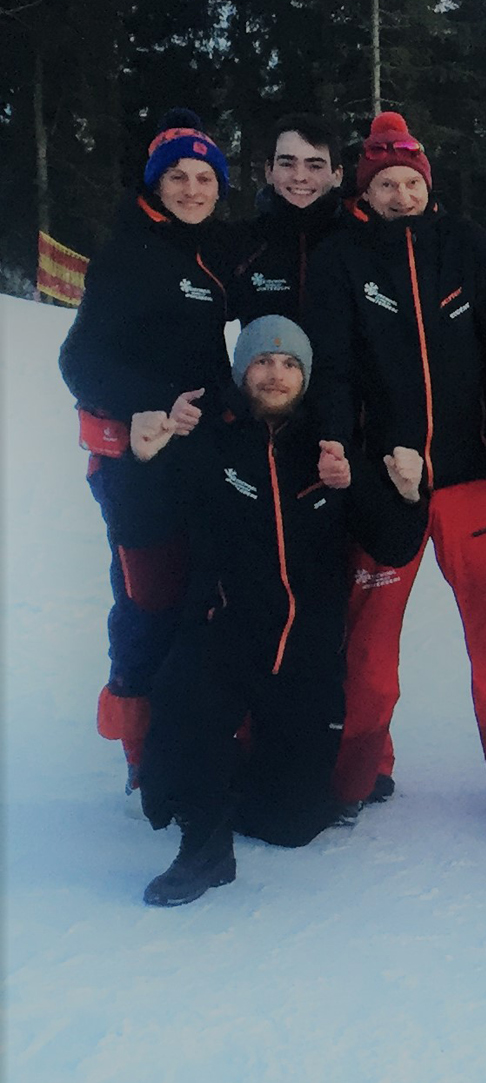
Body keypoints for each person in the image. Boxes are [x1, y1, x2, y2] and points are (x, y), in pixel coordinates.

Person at [305, 111, 486, 819]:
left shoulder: (468, 247)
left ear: (427, 183)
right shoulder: (341, 257)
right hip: (383, 482)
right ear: (366, 189)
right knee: (368, 646)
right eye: (385, 183)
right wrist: (335, 440)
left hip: (471, 476)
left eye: (409, 182)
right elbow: (328, 367)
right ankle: (352, 777)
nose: (399, 195)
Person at [116, 317, 427, 905]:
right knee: (190, 695)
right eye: (263, 361)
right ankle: (202, 848)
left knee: (291, 826)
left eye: (290, 364)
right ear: (243, 371)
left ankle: (221, 785)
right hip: (221, 634)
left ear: (305, 378)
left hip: (304, 652)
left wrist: (407, 495)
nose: (276, 374)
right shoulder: (208, 441)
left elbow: (394, 545)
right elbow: (142, 528)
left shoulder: (330, 453)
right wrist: (141, 463)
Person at [57, 107, 239, 787]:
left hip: (197, 452)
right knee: (148, 598)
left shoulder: (211, 247)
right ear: (155, 183)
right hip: (137, 460)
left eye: (204, 177)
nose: (192, 189)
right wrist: (144, 406)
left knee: (201, 596)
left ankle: (193, 731)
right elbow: (78, 359)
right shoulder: (128, 252)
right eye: (178, 177)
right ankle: (141, 753)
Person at [234, 113, 345, 321]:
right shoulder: (242, 243)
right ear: (269, 171)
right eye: (287, 163)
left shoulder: (359, 242)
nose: (300, 176)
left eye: (315, 166)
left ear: (337, 175)